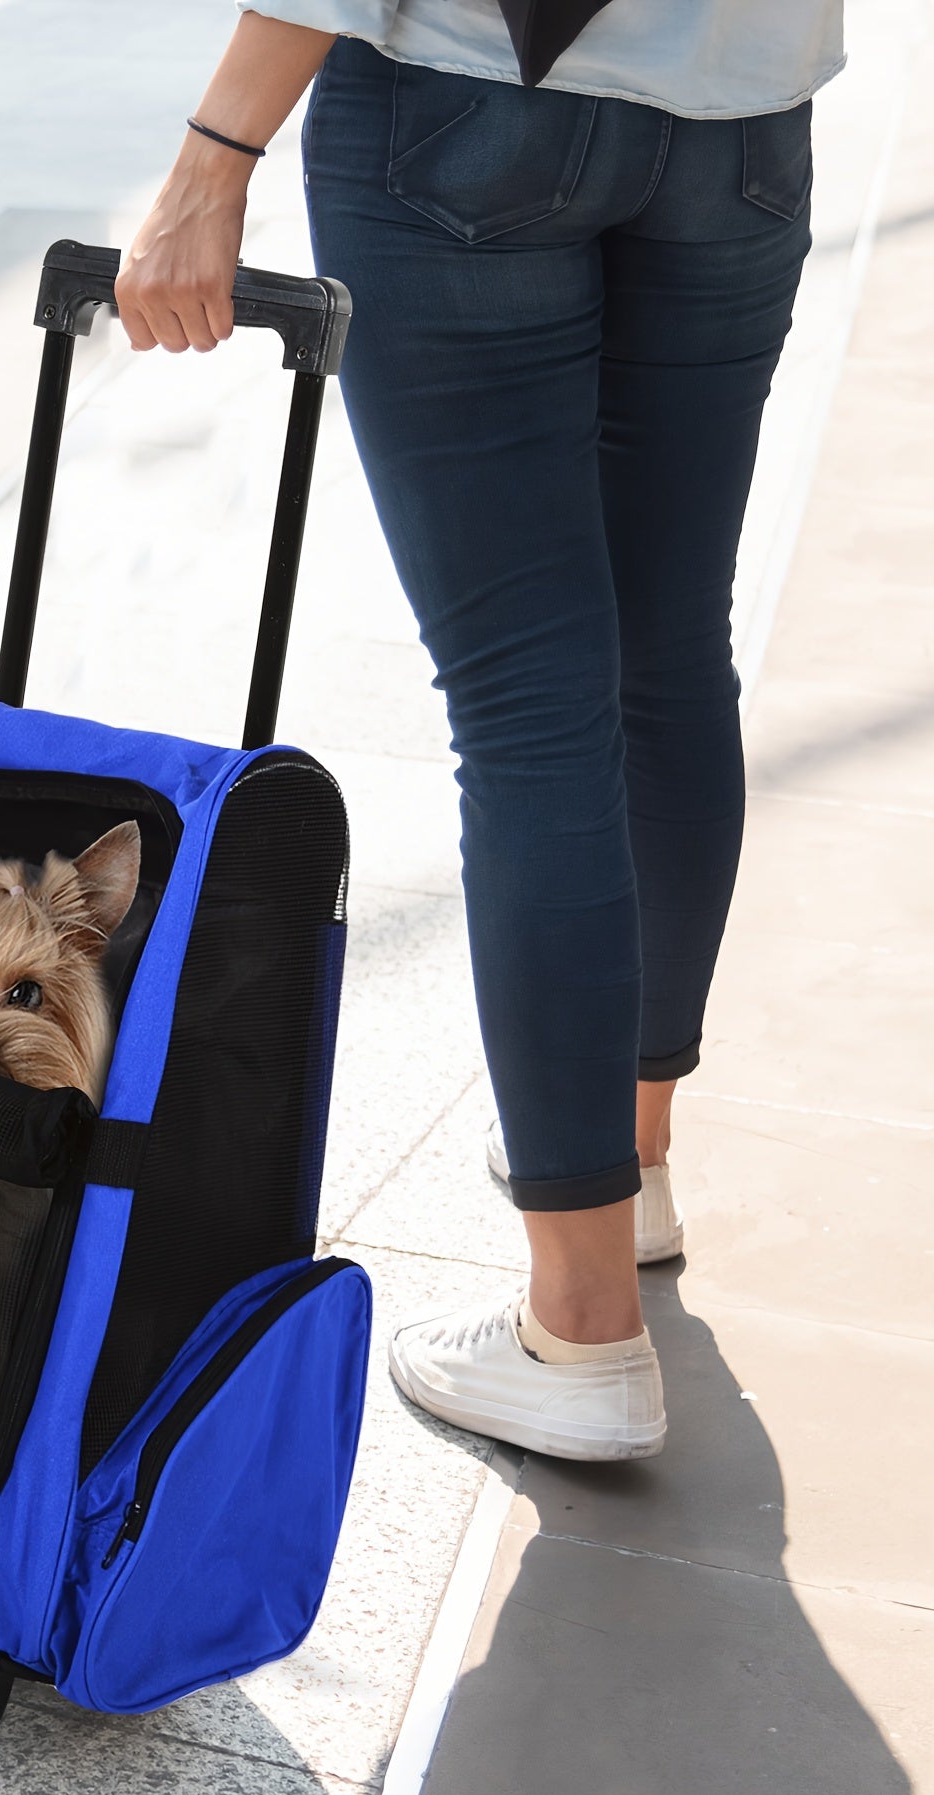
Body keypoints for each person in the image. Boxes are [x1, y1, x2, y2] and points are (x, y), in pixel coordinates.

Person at [117, 3, 841, 1460]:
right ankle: (627, 1178)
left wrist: (214, 154)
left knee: (530, 701)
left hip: (472, 109)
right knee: (666, 654)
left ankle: (577, 1334)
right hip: (746, 122)